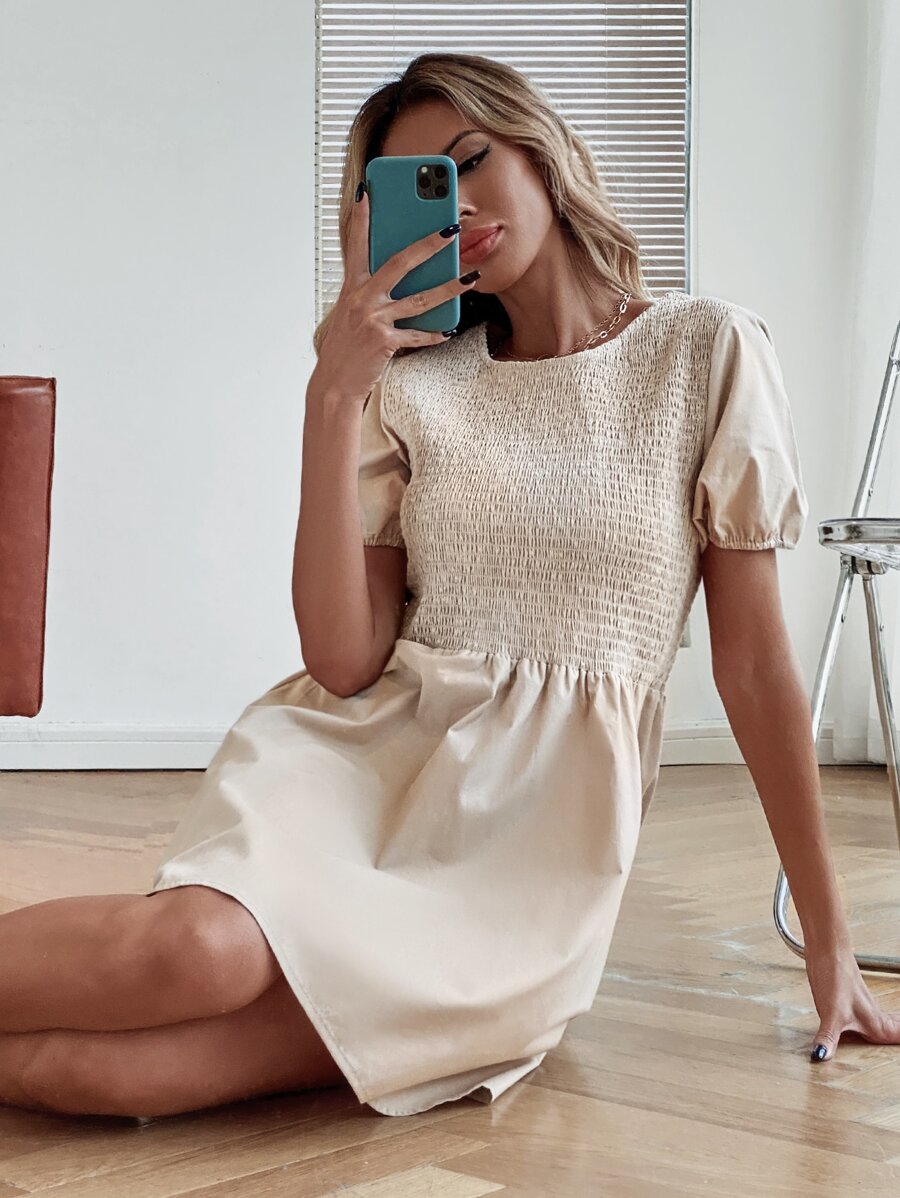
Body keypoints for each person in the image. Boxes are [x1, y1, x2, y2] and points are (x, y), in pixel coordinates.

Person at [3, 51, 897, 1125]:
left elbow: (754, 668)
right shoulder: (414, 385)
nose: (460, 205)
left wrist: (830, 943)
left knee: (105, 1076)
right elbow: (344, 659)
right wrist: (333, 397)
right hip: (368, 771)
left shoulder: (705, 351)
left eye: (471, 161)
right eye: (422, 188)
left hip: (528, 863)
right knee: (199, 951)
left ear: (542, 150)